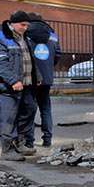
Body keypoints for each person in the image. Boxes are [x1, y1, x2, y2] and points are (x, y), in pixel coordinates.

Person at [0, 11, 40, 161]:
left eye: (27, 25)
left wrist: (38, 78)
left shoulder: (24, 37)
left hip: (26, 84)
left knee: (29, 110)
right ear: (12, 23)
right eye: (22, 25)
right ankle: (7, 150)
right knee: (8, 117)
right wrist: (12, 81)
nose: (25, 28)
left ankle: (19, 142)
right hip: (9, 86)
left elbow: (30, 59)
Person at [25, 13, 61, 147]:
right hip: (46, 77)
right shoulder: (52, 35)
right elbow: (57, 55)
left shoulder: (25, 34)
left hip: (30, 77)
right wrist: (48, 67)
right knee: (45, 108)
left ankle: (29, 141)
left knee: (30, 109)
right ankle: (47, 139)